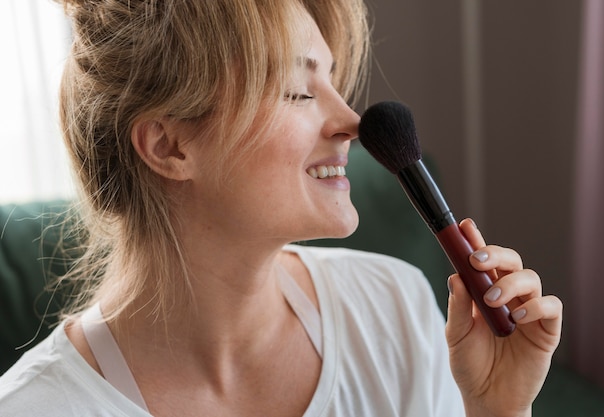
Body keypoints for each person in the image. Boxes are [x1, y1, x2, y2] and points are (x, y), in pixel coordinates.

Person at [0, 0, 562, 416]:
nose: (352, 122)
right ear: (171, 146)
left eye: (334, 79)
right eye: (299, 89)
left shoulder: (394, 308)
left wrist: (497, 411)